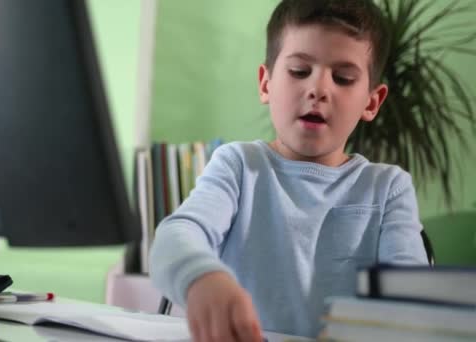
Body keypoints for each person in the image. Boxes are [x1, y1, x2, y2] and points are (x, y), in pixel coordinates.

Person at [149, 0, 429, 341]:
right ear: (266, 84)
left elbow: (410, 297)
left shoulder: (387, 188)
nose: (319, 90)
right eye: (299, 71)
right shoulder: (238, 166)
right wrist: (202, 277)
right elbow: (174, 237)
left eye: (342, 78)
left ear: (371, 101)